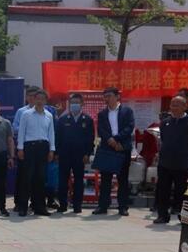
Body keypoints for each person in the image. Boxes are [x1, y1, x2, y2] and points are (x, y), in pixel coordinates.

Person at [154, 95, 188, 224]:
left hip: (182, 164)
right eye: (172, 105)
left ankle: (182, 216)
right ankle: (162, 215)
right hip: (165, 163)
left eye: (177, 105)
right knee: (163, 190)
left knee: (182, 191)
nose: (173, 107)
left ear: (185, 107)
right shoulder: (165, 122)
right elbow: (164, 139)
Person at [94, 87, 135, 216]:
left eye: (110, 96)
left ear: (117, 97)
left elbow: (129, 127)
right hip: (108, 148)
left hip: (122, 147)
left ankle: (122, 207)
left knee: (122, 179)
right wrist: (110, 140)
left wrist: (117, 139)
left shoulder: (127, 111)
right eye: (105, 96)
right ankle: (103, 206)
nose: (107, 99)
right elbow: (101, 130)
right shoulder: (102, 113)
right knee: (106, 179)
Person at [17, 89, 55, 216]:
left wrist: (52, 150)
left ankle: (39, 207)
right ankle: (23, 207)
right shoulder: (26, 114)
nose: (39, 101)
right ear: (34, 99)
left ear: (45, 101)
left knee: (41, 178)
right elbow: (21, 131)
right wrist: (20, 148)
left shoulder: (49, 115)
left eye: (42, 99)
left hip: (43, 147)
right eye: (37, 98)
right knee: (27, 177)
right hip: (29, 147)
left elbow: (51, 133)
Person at [55, 93, 95, 214]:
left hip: (80, 156)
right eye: (72, 103)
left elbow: (90, 139)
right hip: (64, 155)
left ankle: (77, 205)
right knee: (63, 181)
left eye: (77, 102)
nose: (74, 105)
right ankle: (63, 205)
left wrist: (88, 154)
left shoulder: (88, 120)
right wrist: (57, 153)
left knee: (78, 181)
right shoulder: (62, 119)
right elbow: (57, 138)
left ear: (82, 104)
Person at [12, 86, 38, 211]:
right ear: (26, 97)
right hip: (24, 146)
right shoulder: (21, 111)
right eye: (30, 96)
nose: (32, 98)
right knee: (22, 176)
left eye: (34, 96)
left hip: (37, 148)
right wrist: (27, 129)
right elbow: (15, 127)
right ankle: (19, 202)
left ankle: (35, 202)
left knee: (36, 176)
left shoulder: (42, 111)